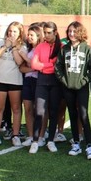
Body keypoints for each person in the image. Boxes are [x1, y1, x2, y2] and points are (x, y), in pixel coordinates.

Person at [55, 21, 91, 160]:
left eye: (74, 31)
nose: (71, 34)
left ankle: (89, 146)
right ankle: (76, 143)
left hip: (82, 88)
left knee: (84, 115)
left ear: (80, 32)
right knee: (72, 114)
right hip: (67, 88)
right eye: (69, 31)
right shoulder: (64, 49)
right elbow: (58, 67)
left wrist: (83, 81)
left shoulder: (87, 49)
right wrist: (64, 80)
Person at [0, 22, 25, 147]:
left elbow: (19, 61)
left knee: (16, 109)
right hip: (0, 79)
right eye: (10, 31)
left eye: (15, 31)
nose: (12, 33)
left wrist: (15, 47)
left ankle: (15, 135)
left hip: (15, 81)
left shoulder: (22, 45)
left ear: (20, 33)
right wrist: (5, 46)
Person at [30, 21, 62, 153]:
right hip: (42, 81)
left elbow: (58, 66)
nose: (46, 35)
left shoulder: (61, 47)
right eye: (45, 33)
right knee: (39, 112)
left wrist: (43, 66)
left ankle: (51, 141)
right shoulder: (40, 46)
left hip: (56, 82)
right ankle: (35, 141)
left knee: (53, 112)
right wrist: (47, 66)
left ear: (55, 32)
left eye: (49, 33)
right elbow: (33, 64)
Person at [20, 24, 41, 152]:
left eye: (32, 35)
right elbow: (22, 67)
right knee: (27, 108)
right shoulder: (27, 49)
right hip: (28, 80)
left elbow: (37, 65)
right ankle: (30, 135)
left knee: (38, 110)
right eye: (28, 35)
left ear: (38, 36)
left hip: (38, 81)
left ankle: (40, 136)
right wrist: (32, 67)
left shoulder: (41, 49)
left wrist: (28, 61)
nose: (29, 37)